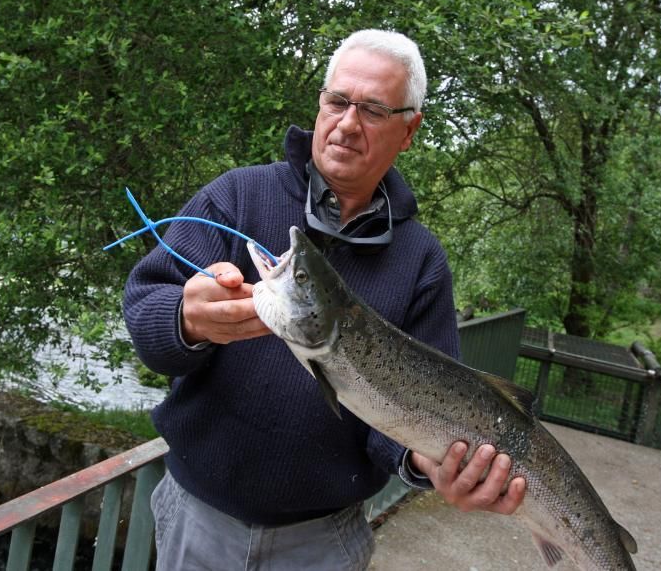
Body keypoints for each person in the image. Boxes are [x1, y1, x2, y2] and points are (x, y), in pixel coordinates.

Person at [123, 29, 526, 570]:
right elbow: (145, 307)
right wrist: (185, 321)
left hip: (324, 543)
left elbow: (415, 412)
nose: (347, 124)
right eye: (337, 101)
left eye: (374, 110)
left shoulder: (421, 260)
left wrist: (428, 464)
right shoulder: (237, 195)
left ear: (410, 130)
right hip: (197, 519)